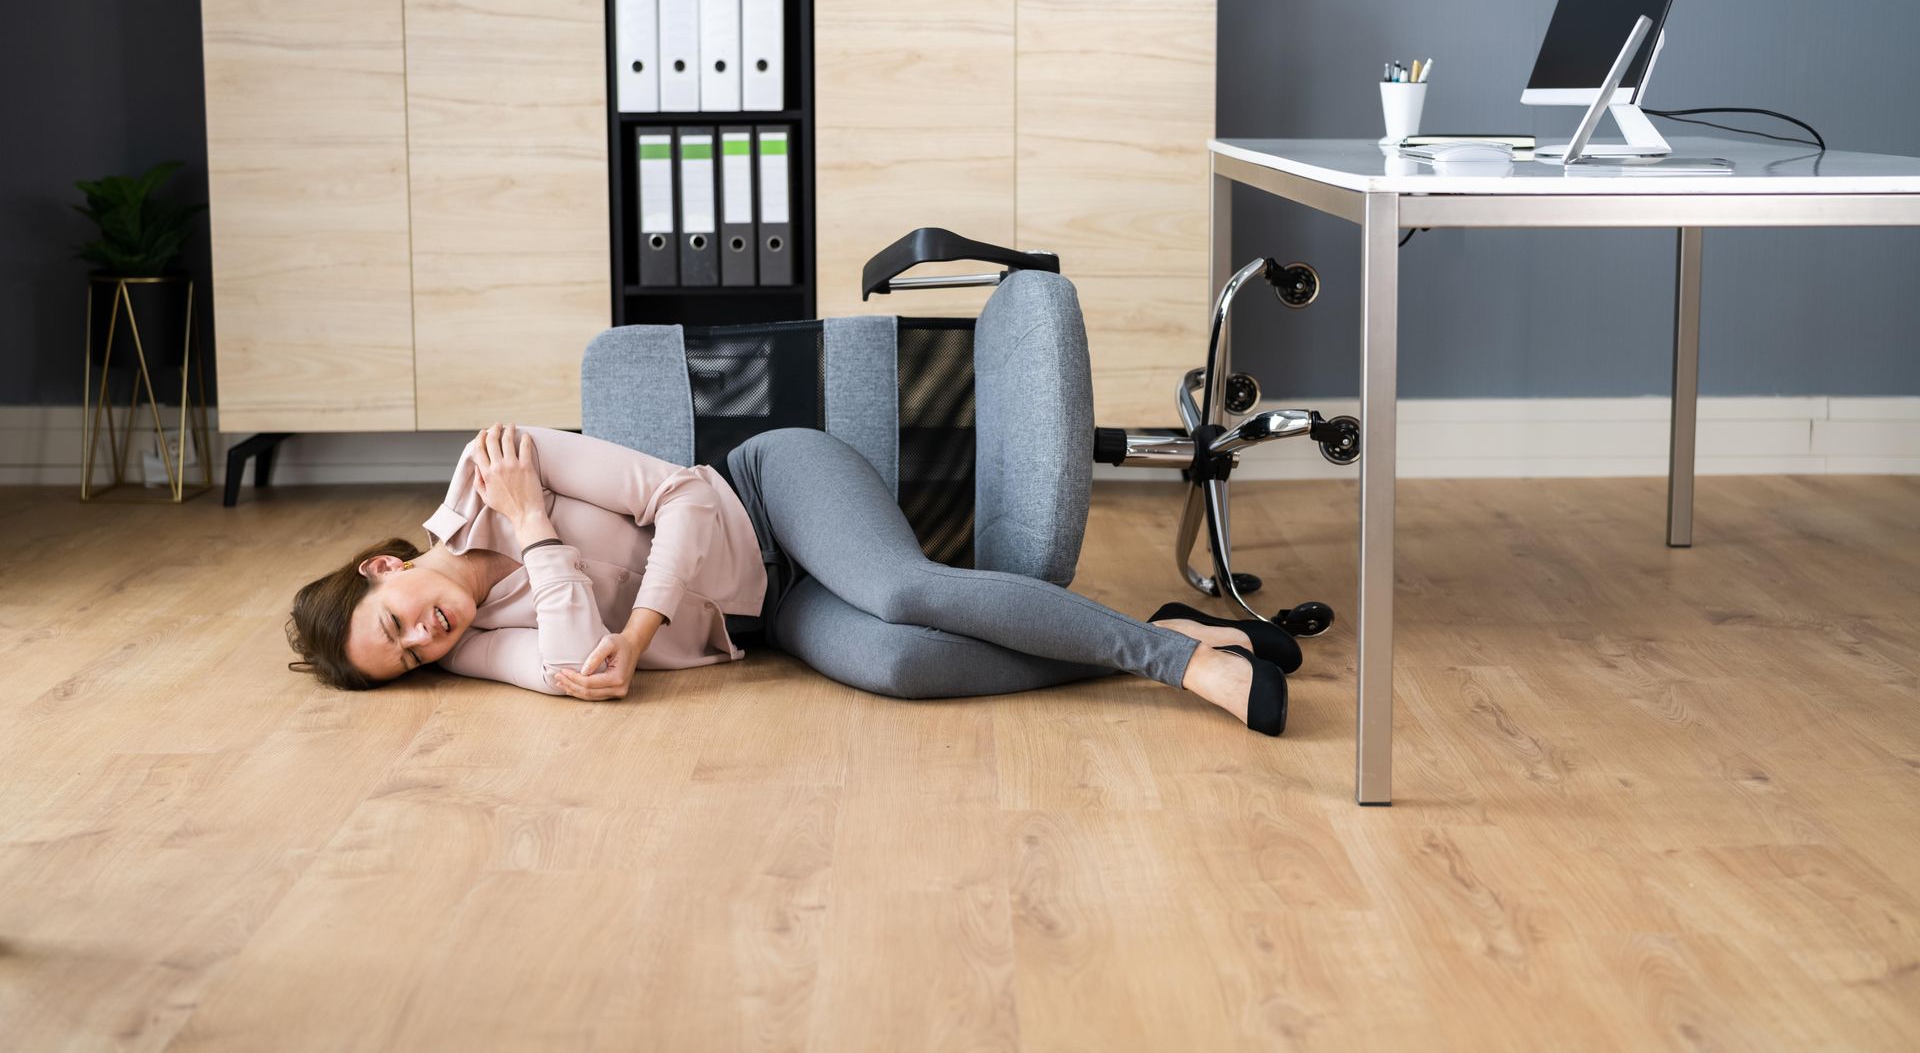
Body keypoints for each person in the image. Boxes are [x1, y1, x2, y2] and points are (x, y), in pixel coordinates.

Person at [285, 422, 1288, 735]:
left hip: (767, 490)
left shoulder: (497, 456)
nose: (431, 637)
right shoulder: (467, 645)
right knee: (899, 664)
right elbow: (564, 666)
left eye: (401, 618)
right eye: (412, 659)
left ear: (385, 566)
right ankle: (1179, 632)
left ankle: (1177, 661)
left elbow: (679, 496)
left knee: (900, 592)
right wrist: (540, 534)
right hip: (769, 614)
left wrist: (634, 634)